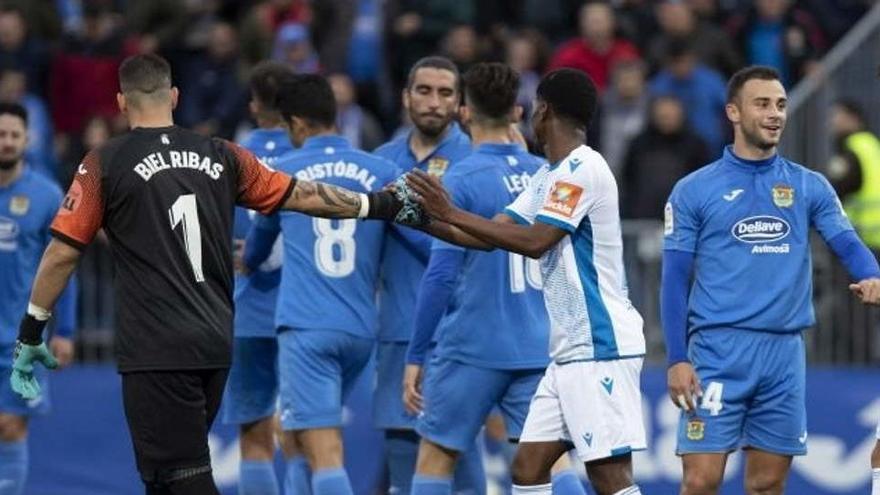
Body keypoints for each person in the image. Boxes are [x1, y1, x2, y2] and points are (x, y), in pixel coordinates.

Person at [8, 53, 419, 495]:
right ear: (176, 97)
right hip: (214, 337)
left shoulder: (104, 163)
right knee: (164, 473)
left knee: (184, 474)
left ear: (121, 102)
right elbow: (301, 195)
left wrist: (33, 330)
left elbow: (62, 253)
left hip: (156, 345)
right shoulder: (223, 154)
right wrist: (376, 204)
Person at [406, 68, 647, 495]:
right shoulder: (548, 176)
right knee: (528, 469)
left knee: (609, 477)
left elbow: (535, 241)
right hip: (567, 351)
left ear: (544, 112)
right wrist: (420, 217)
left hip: (599, 344)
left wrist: (451, 211)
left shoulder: (582, 169)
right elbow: (486, 234)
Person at [660, 65, 880, 495]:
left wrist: (872, 274)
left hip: (783, 354)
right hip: (717, 353)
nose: (775, 113)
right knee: (701, 483)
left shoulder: (808, 185)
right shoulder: (694, 190)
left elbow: (848, 243)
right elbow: (674, 279)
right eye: (762, 103)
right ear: (733, 113)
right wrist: (676, 358)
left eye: (780, 104)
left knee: (766, 485)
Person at [241, 73, 402, 495]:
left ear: (295, 123)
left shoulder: (284, 173)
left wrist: (248, 260)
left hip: (307, 328)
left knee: (323, 450)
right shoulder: (382, 170)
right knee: (295, 437)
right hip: (361, 328)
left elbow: (258, 244)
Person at [372, 55, 484, 495]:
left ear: (459, 104)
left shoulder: (473, 160)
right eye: (424, 91)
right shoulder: (380, 160)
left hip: (459, 335)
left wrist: (403, 213)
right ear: (405, 97)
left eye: (445, 93)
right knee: (403, 469)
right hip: (397, 330)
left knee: (461, 462)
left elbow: (478, 247)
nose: (433, 102)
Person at [221, 61, 296, 495]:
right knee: (307, 437)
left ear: (253, 105)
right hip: (303, 309)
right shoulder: (306, 154)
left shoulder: (227, 155)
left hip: (246, 306)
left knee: (254, 437)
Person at [0, 102, 76, 495]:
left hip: (21, 338)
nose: (7, 142)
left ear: (27, 140)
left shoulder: (46, 195)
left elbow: (65, 263)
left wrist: (65, 330)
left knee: (10, 426)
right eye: (1, 135)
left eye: (14, 135)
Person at [827, 100, 880, 252]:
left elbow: (841, 186)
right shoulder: (871, 143)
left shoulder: (852, 147)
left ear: (853, 118)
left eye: (837, 115)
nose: (833, 121)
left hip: (864, 234)